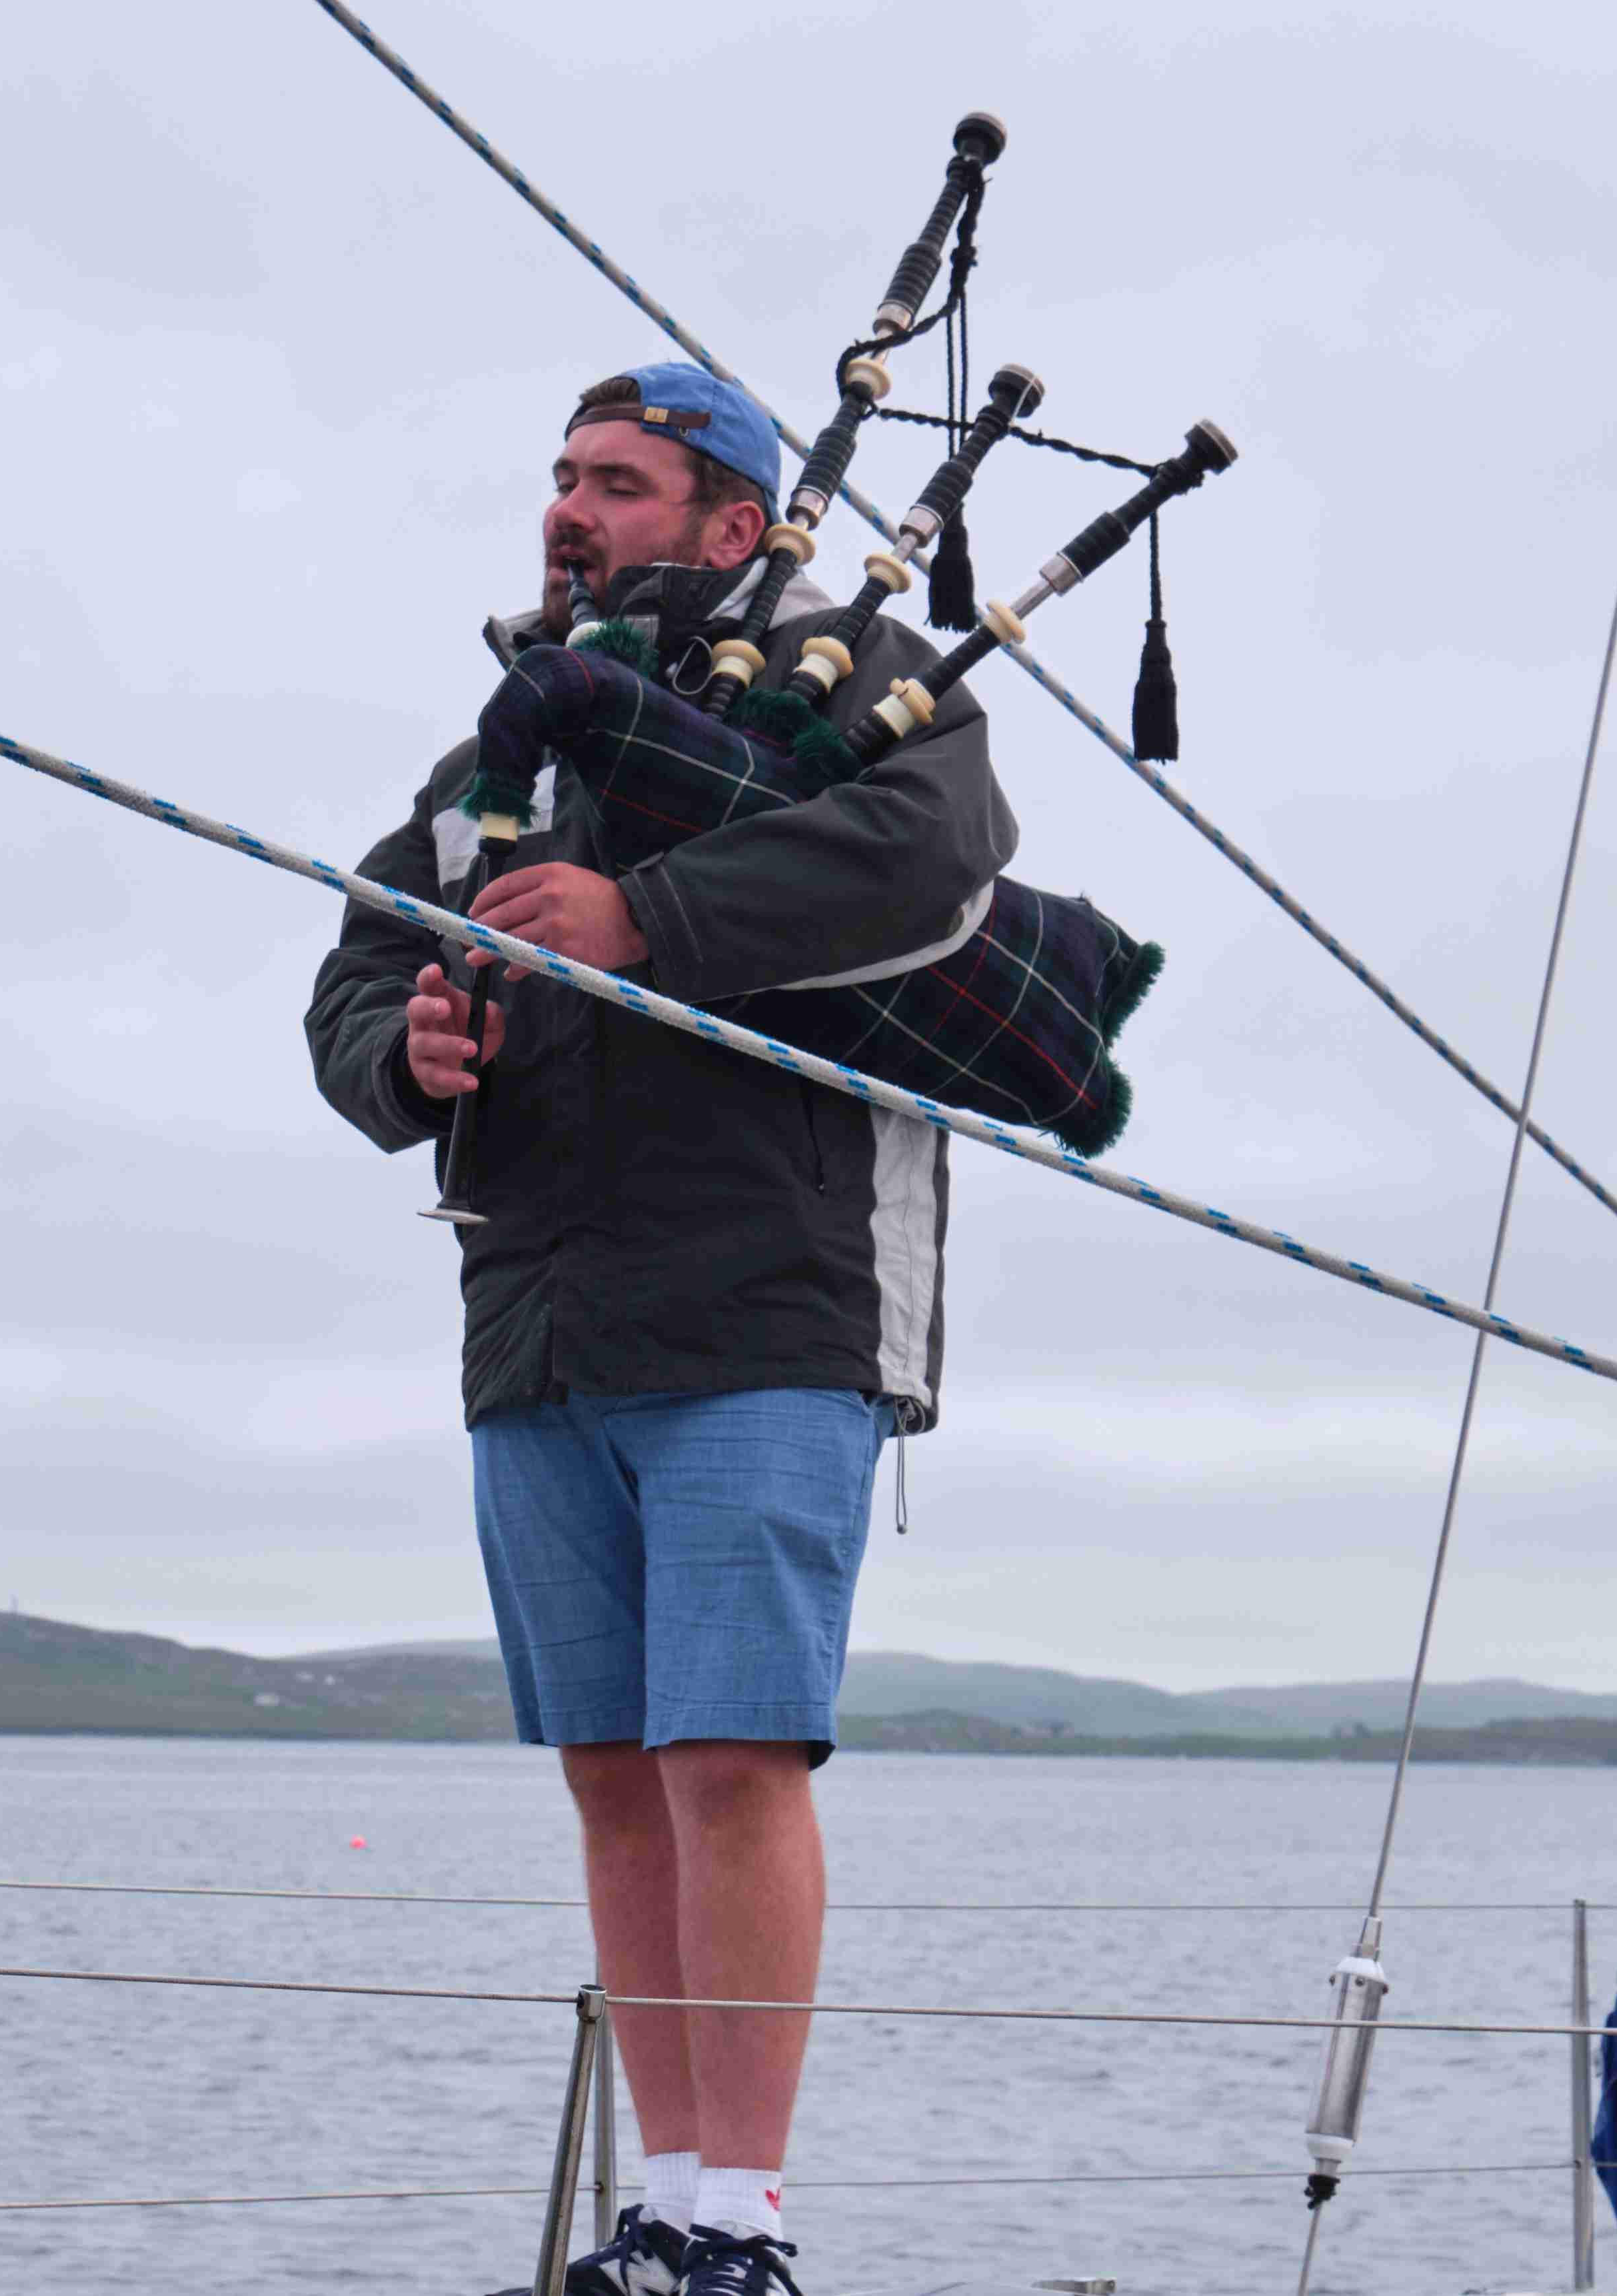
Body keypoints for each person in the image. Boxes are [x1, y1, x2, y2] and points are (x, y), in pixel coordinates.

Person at [303, 363, 1013, 2296]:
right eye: (561, 475)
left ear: (732, 521)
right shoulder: (497, 756)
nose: (570, 506)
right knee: (613, 1771)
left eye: (616, 480)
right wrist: (408, 1050)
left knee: (730, 1758)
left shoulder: (864, 687)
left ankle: (743, 2225)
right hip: (536, 1314)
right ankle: (669, 2202)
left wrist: (644, 918)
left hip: (770, 1309)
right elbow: (357, 972)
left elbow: (931, 862)